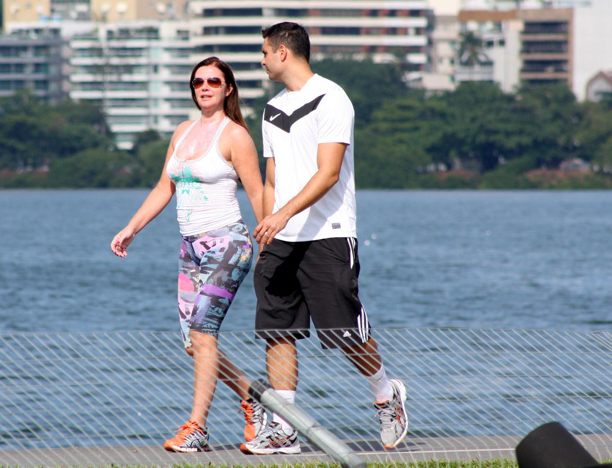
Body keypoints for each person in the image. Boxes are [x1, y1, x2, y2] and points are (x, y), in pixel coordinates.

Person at [239, 22, 409, 455]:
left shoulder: (332, 98)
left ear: (283, 53)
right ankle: (285, 428)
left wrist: (282, 214)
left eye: (263, 52)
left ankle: (386, 394)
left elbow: (329, 173)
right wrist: (267, 230)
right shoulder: (272, 108)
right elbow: (273, 177)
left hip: (328, 234)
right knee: (277, 331)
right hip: (281, 237)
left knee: (343, 331)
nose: (260, 61)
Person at [110, 56, 267, 453]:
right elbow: (166, 187)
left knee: (203, 333)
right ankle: (253, 398)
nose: (205, 87)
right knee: (194, 342)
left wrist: (269, 247)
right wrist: (131, 228)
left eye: (214, 81)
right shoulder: (182, 132)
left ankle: (197, 427)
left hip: (228, 245)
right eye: (198, 81)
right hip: (191, 250)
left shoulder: (235, 137)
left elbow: (259, 194)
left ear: (228, 88)